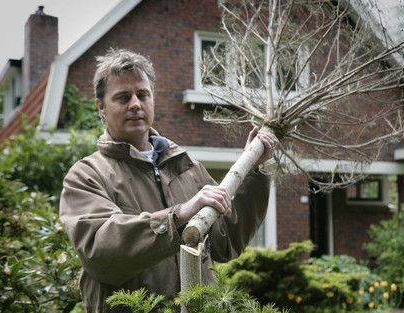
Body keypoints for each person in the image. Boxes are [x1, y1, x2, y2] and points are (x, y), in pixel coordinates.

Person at [59, 48, 278, 312]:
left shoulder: (187, 167)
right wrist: (178, 215)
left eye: (143, 94)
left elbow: (226, 242)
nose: (135, 104)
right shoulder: (86, 175)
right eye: (122, 97)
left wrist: (254, 169)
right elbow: (100, 251)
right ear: (101, 108)